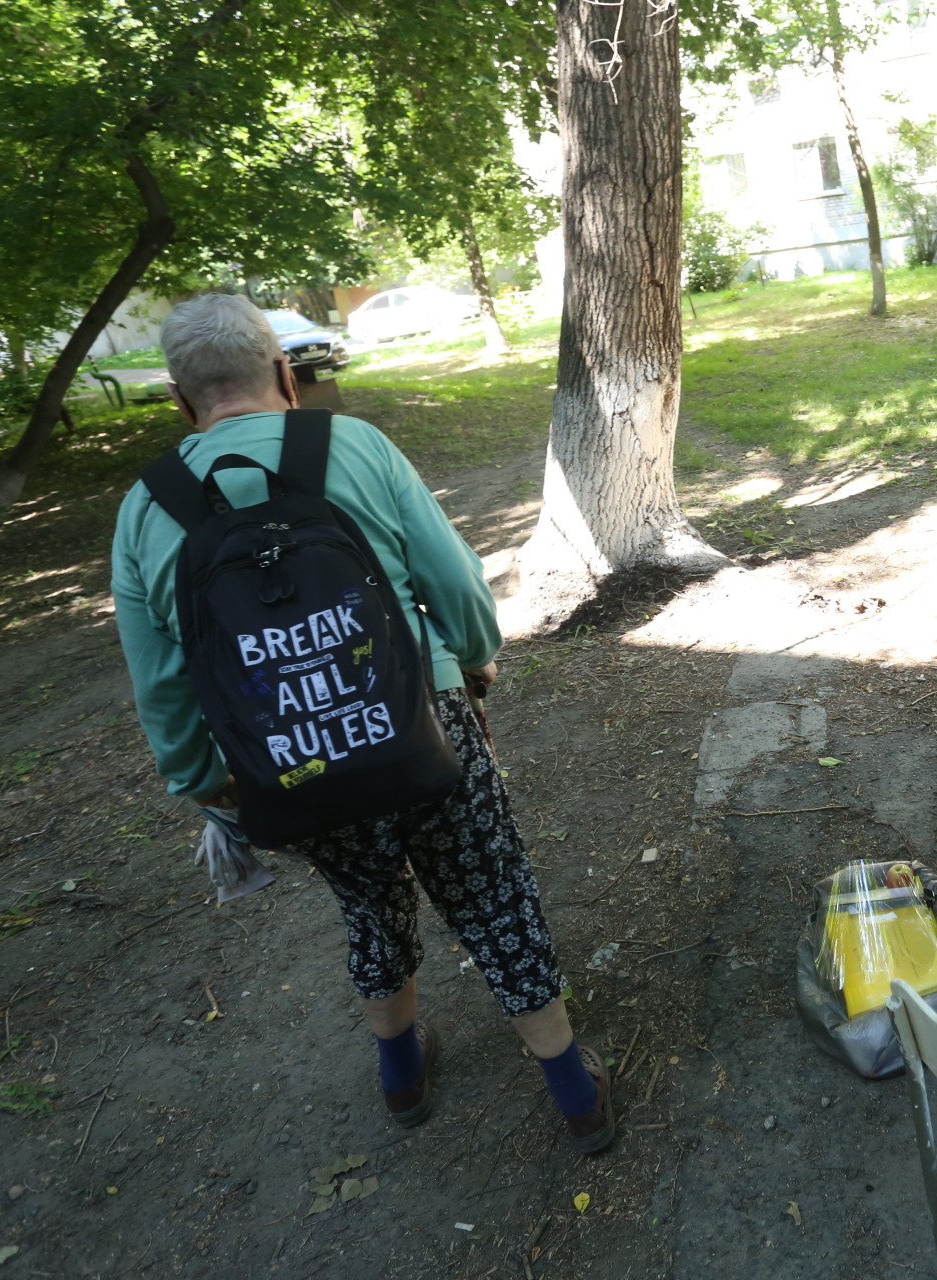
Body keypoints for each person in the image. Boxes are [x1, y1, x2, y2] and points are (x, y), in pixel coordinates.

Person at [111, 293, 613, 1150]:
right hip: (424, 720)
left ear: (177, 400)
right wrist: (473, 656)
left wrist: (204, 783)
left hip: (288, 754)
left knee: (371, 906)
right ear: (285, 374)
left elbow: (161, 683)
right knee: (492, 895)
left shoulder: (143, 512)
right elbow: (453, 581)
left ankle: (401, 1076)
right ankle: (574, 1092)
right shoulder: (356, 446)